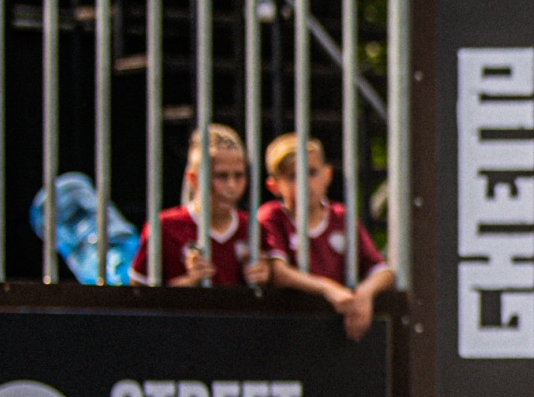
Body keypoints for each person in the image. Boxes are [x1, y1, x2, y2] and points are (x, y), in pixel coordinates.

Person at [254, 134, 393, 341]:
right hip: (285, 333)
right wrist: (328, 289)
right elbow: (278, 272)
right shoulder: (272, 215)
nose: (304, 183)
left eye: (312, 172)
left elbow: (383, 271)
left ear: (327, 175)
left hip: (337, 334)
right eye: (293, 176)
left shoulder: (342, 217)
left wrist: (365, 293)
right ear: (273, 185)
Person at [134, 124, 259, 287]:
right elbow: (137, 293)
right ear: (193, 179)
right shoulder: (164, 227)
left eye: (239, 175)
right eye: (221, 176)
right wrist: (190, 283)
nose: (231, 186)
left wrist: (266, 279)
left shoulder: (254, 228)